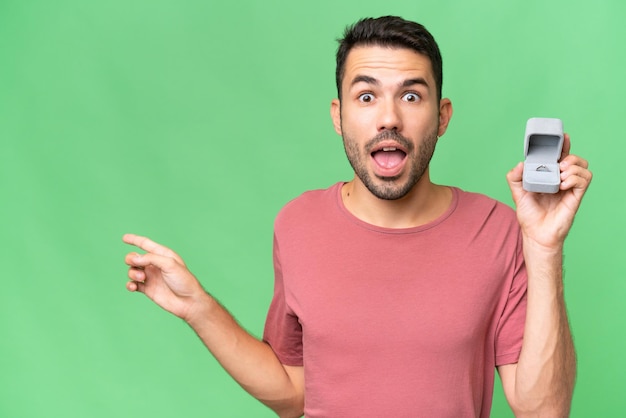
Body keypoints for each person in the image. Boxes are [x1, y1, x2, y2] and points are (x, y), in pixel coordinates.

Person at [123, 16, 591, 417]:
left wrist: (545, 248)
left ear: (442, 116)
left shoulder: (498, 230)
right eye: (366, 97)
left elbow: (544, 410)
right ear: (338, 115)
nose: (389, 118)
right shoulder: (297, 224)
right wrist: (197, 308)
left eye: (411, 97)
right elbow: (293, 391)